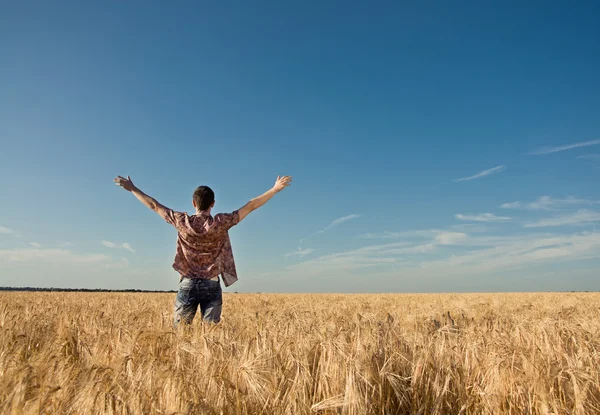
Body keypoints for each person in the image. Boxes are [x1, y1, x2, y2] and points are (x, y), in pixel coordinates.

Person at [113, 174, 292, 326]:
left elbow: (154, 205)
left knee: (181, 335)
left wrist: (132, 188)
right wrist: (274, 189)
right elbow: (250, 206)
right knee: (211, 336)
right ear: (213, 204)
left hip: (187, 283)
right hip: (212, 284)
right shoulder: (221, 223)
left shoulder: (181, 221)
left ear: (193, 203)